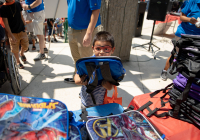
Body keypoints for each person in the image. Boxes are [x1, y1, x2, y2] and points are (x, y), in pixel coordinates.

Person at [74, 31, 116, 108]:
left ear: (112, 50)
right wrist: (79, 81)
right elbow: (77, 75)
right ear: (93, 48)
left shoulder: (112, 66)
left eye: (106, 49)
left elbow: (111, 87)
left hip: (100, 103)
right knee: (85, 116)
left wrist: (107, 86)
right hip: (85, 100)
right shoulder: (88, 62)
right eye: (98, 48)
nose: (101, 52)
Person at [160, 0, 200, 81]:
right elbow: (182, 17)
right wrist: (190, 20)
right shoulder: (193, 2)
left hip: (197, 37)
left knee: (191, 57)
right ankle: (164, 71)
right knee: (176, 54)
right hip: (183, 33)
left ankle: (183, 76)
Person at [64, 0, 101, 83]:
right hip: (72, 29)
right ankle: (79, 78)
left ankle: (90, 87)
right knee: (77, 59)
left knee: (87, 62)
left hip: (85, 30)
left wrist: (89, 33)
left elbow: (96, 10)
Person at [0, 0, 29, 69]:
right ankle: (18, 61)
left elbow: (21, 15)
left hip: (22, 30)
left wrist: (25, 25)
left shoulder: (17, 3)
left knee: (26, 46)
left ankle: (21, 53)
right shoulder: (3, 8)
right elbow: (6, 24)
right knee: (15, 49)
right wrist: (11, 35)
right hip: (12, 32)